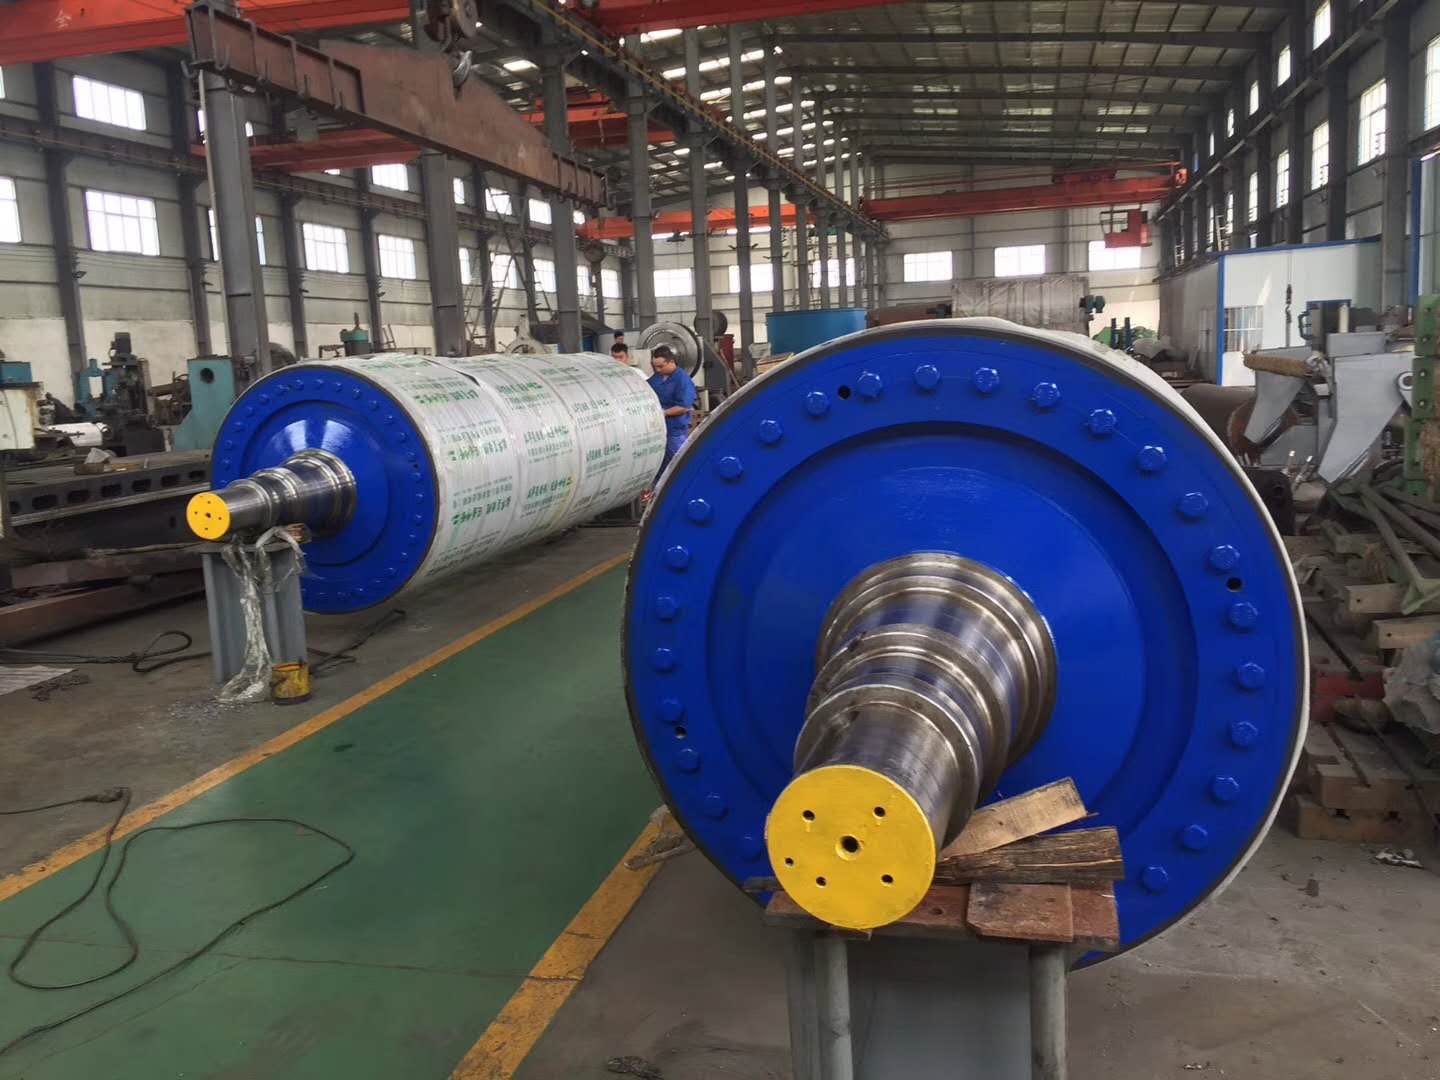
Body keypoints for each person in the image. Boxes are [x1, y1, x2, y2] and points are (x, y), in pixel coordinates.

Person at [647, 344, 697, 480]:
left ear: (671, 362)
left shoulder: (682, 380)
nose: (658, 370)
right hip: (658, 430)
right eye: (655, 367)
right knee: (660, 466)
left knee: (678, 464)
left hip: (675, 431)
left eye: (661, 366)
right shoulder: (657, 377)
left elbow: (684, 406)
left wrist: (663, 413)